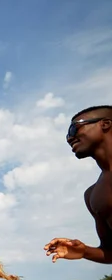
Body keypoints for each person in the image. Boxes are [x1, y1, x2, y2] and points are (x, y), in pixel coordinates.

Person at [44, 106, 112, 264]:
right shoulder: (93, 194)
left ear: (105, 124)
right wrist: (84, 251)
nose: (69, 138)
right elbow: (109, 252)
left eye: (74, 129)